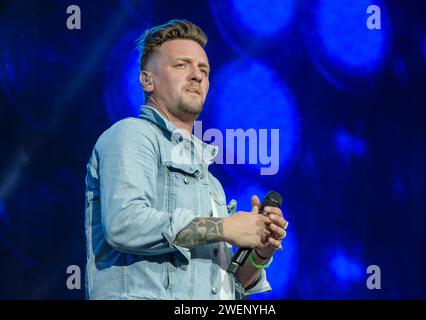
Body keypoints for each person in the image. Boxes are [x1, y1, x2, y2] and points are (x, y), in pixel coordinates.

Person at [84, 19, 289, 300]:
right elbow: (124, 223)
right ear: (147, 80)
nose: (196, 76)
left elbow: (229, 287)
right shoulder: (131, 135)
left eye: (203, 69)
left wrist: (257, 253)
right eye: (181, 65)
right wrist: (225, 227)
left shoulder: (212, 185)